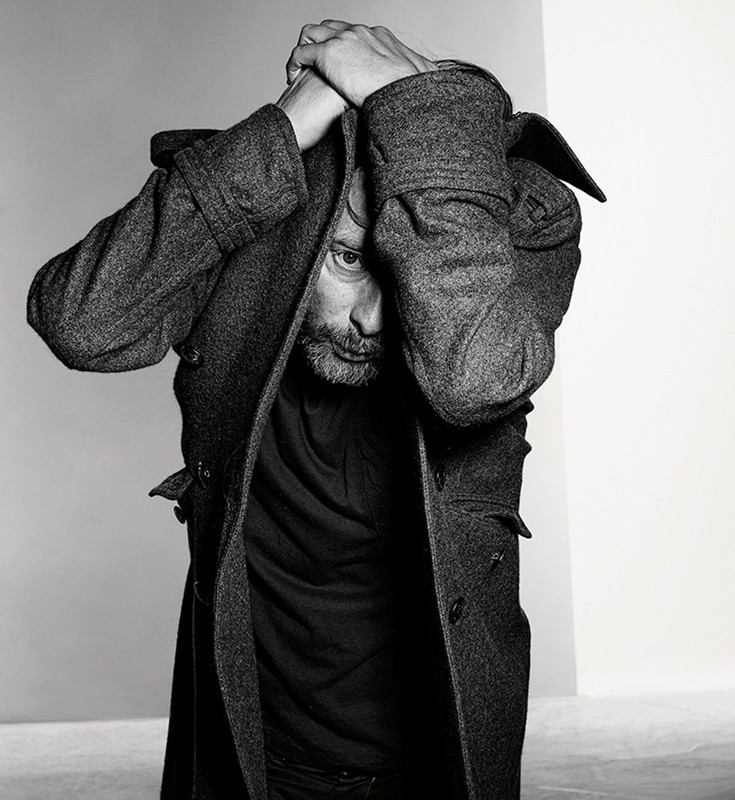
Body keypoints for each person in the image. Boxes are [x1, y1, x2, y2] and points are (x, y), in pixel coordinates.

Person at [27, 20, 605, 800]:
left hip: (439, 755)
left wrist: (429, 103)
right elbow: (82, 323)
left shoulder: (527, 220)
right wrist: (292, 118)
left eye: (396, 273)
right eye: (347, 258)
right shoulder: (267, 222)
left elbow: (473, 380)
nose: (371, 317)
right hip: (252, 753)